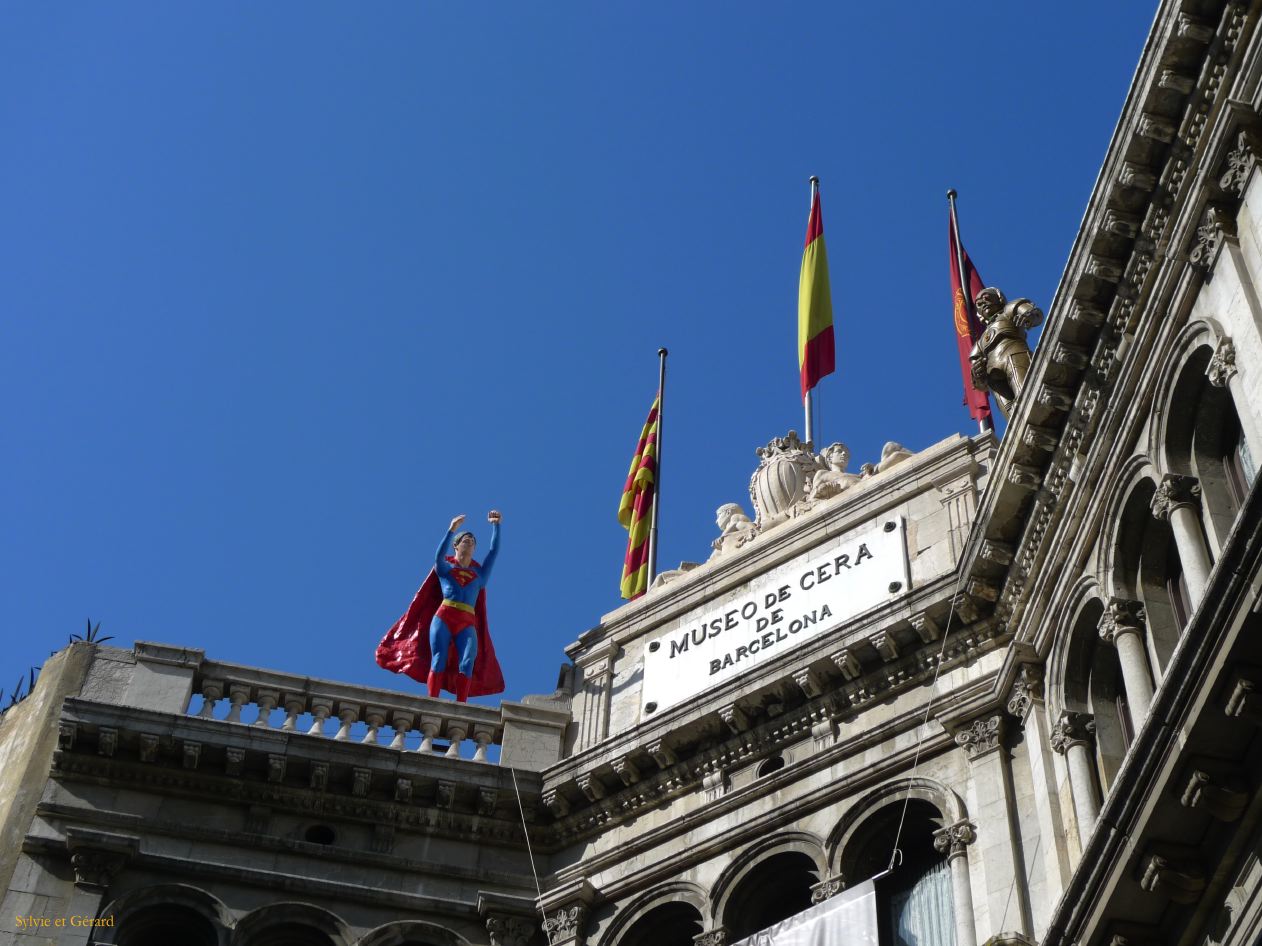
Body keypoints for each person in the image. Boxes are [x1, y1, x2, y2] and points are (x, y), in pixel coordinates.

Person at [375, 510, 505, 702]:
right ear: (456, 546)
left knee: (468, 661)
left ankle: (461, 704)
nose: (470, 543)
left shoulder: (480, 576)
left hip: (466, 622)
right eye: (465, 540)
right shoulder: (445, 568)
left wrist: (496, 525)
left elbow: (493, 552)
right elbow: (438, 556)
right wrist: (451, 529)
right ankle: (432, 702)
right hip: (444, 617)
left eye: (473, 542)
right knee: (438, 659)